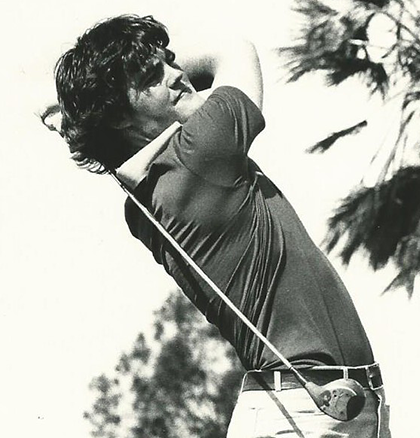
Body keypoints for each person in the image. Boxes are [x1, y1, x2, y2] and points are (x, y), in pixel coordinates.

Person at [49, 14, 391, 438]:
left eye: (171, 61)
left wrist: (91, 107)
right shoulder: (201, 150)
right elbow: (232, 51)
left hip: (319, 408)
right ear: (118, 114)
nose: (177, 75)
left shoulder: (146, 197)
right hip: (303, 414)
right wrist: (96, 101)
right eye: (154, 74)